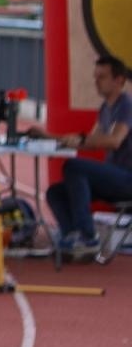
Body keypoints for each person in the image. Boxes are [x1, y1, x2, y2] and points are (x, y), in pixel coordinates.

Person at [43, 55, 132, 256]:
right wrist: (48, 137)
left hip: (127, 178)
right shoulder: (105, 108)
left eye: (102, 77)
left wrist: (81, 140)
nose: (96, 82)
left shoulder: (126, 105)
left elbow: (114, 140)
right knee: (55, 192)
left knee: (73, 167)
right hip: (117, 177)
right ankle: (71, 235)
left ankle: (87, 235)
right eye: (95, 77)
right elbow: (90, 140)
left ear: (119, 80)